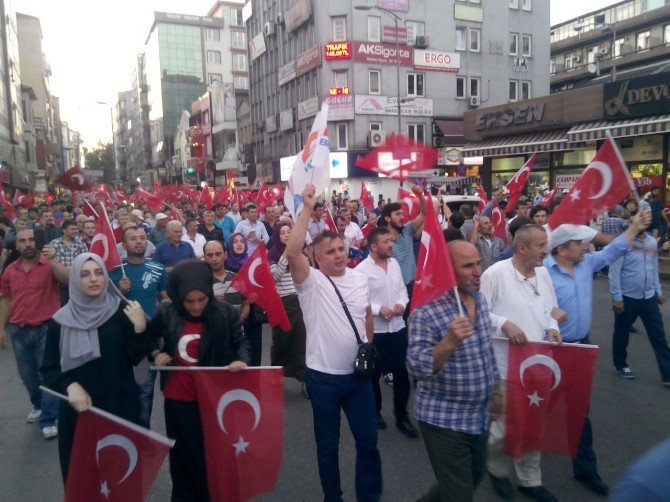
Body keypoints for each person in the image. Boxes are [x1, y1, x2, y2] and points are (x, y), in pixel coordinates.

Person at [544, 212, 651, 497]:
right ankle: (523, 463)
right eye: (580, 243)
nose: (586, 247)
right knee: (539, 408)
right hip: (550, 350)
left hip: (581, 347)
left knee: (579, 412)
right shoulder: (542, 271)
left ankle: (586, 470)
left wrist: (635, 228)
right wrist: (548, 315)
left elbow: (614, 249)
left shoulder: (587, 263)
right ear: (562, 248)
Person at [286, 183, 382, 502]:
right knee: (328, 447)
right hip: (323, 379)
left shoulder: (360, 278)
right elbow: (291, 251)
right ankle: (333, 497)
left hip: (358, 378)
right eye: (330, 251)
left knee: (368, 441)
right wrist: (306, 207)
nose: (339, 255)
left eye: (341, 248)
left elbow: (366, 316)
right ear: (316, 257)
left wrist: (368, 346)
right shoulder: (310, 282)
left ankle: (368, 496)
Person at [40, 253, 151, 480]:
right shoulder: (60, 321)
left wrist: (140, 329)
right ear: (74, 280)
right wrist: (69, 385)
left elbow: (135, 358)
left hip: (119, 405)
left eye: (99, 272)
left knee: (121, 474)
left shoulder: (122, 311)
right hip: (80, 412)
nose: (94, 279)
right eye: (85, 274)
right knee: (83, 477)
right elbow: (49, 368)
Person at [146, 260, 250, 501]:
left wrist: (241, 360)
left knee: (214, 451)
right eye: (189, 301)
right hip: (179, 397)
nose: (195, 307)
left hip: (215, 396)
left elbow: (240, 342)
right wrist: (156, 353)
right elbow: (148, 339)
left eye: (201, 300)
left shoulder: (224, 312)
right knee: (183, 455)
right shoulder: (166, 311)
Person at [408, 241, 502, 502]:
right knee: (459, 493)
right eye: (468, 266)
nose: (477, 271)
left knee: (471, 478)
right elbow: (416, 366)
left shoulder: (479, 300)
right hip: (444, 418)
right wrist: (448, 342)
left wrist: (495, 388)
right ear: (449, 270)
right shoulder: (425, 312)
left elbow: (486, 351)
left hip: (479, 415)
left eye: (478, 264)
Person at [480, 224, 562, 502]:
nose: (546, 251)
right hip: (505, 364)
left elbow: (550, 308)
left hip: (539, 363)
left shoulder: (543, 273)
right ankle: (497, 471)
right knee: (502, 426)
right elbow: (478, 313)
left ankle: (530, 480)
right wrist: (504, 323)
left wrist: (552, 327)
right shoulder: (495, 274)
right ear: (522, 247)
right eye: (540, 245)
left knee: (533, 424)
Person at [0, 229, 69, 439]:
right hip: (19, 330)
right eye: (23, 241)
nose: (28, 244)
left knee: (46, 373)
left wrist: (54, 259)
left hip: (46, 329)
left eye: (31, 240)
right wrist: (1, 327)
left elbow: (68, 280)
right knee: (28, 376)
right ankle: (39, 405)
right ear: (17, 245)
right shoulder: (10, 271)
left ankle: (48, 418)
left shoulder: (49, 264)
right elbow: (5, 299)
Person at [356, 227, 416, 437]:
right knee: (373, 375)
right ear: (373, 246)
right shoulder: (362, 270)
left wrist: (401, 303)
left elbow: (401, 290)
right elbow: (358, 301)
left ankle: (402, 415)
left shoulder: (395, 264)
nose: (391, 244)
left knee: (401, 374)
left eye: (391, 241)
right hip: (377, 330)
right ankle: (375, 412)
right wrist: (377, 309)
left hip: (397, 327)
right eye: (385, 242)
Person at [110, 226, 168, 429]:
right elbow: (102, 304)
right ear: (124, 245)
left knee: (144, 392)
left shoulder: (158, 269)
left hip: (147, 338)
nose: (138, 242)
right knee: (121, 389)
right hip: (120, 339)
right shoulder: (114, 272)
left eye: (142, 238)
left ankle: (142, 436)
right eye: (133, 239)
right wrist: (118, 290)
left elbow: (166, 300)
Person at [609, 218, 670, 385]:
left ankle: (667, 373)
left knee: (658, 334)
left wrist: (657, 291)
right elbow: (614, 272)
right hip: (628, 298)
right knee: (622, 332)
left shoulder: (651, 241)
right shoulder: (622, 243)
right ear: (632, 222)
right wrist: (617, 297)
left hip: (648, 297)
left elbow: (653, 268)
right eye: (639, 219)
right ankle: (621, 363)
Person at [268, 221, 307, 389]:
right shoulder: (272, 255)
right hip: (282, 303)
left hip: (300, 302)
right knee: (282, 340)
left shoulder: (300, 253)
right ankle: (276, 375)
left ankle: (303, 377)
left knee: (301, 341)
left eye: (288, 232)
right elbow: (274, 277)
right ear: (277, 235)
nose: (286, 234)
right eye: (282, 232)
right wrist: (286, 255)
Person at [379, 185, 425, 307]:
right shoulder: (381, 239)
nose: (402, 217)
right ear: (388, 218)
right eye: (398, 214)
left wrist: (420, 196)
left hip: (412, 286)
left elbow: (424, 214)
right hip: (394, 289)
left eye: (402, 214)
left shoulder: (408, 230)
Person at [226, 232, 264, 366]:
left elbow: (260, 285)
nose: (239, 244)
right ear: (230, 245)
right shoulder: (224, 266)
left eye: (242, 241)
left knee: (252, 349)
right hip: (231, 314)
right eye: (235, 241)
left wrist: (255, 295)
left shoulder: (252, 263)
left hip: (251, 315)